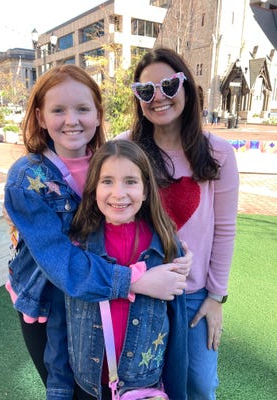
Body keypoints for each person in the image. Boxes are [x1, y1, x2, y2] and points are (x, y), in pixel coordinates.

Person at [3, 64, 191, 400]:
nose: (71, 119)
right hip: (47, 302)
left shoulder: (108, 163)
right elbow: (61, 262)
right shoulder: (26, 177)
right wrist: (135, 280)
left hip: (100, 295)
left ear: (99, 114)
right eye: (58, 109)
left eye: (82, 108)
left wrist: (176, 253)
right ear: (41, 117)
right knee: (66, 386)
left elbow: (147, 215)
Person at [119, 47, 239, 399]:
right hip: (139, 291)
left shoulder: (217, 152)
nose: (158, 98)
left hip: (193, 296)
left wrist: (216, 296)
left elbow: (225, 229)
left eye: (169, 85)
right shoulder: (124, 149)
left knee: (199, 384)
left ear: (186, 87)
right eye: (146, 91)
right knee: (142, 387)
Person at [66, 139, 189, 399]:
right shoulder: (77, 246)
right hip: (88, 386)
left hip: (144, 387)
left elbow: (177, 331)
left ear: (145, 190)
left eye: (131, 181)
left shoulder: (166, 246)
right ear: (94, 188)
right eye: (107, 181)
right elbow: (60, 320)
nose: (118, 193)